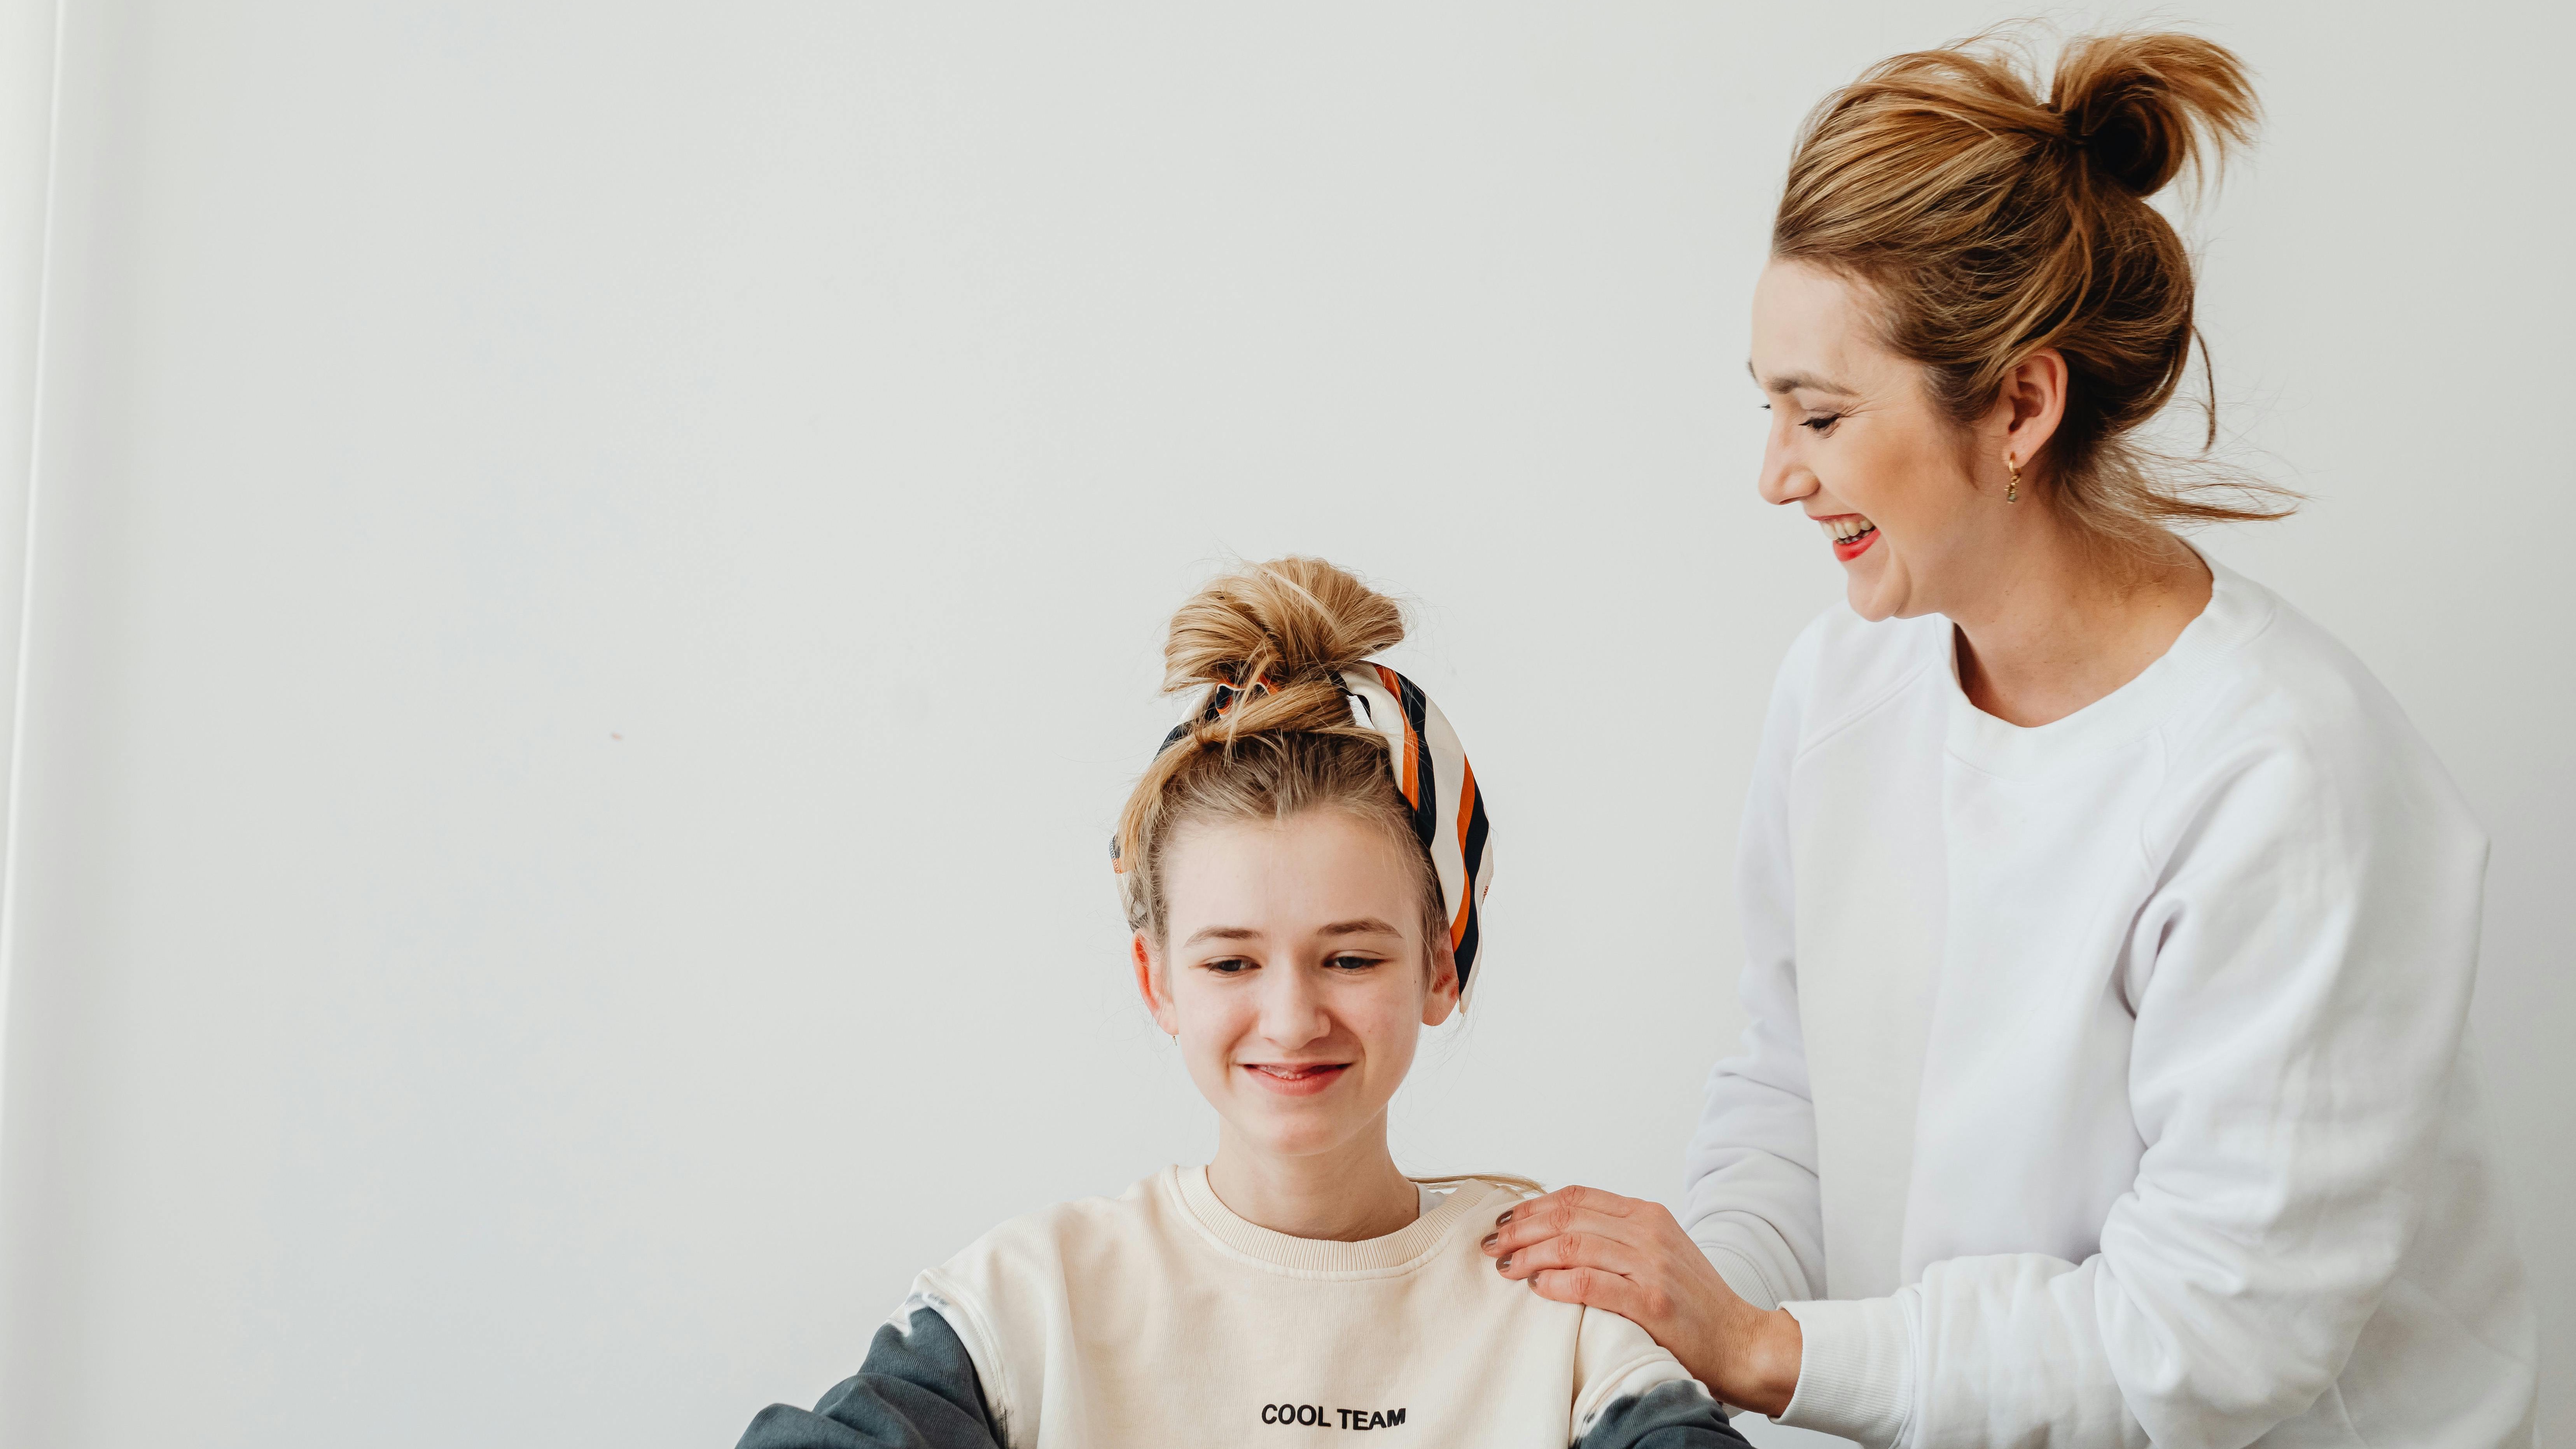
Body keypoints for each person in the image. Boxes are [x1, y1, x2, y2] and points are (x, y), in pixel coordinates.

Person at [1478, 29, 2538, 1448]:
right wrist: (1664, 1333)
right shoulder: (1844, 681)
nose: (1776, 474)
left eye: (1823, 415)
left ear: (2021, 406)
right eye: (1769, 405)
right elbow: (1788, 1089)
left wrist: (1769, 1351)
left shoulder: (2281, 779)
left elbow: (2207, 1341)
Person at [735, 557, 1749, 1449]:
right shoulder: (1029, 1305)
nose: (1290, 1017)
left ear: (1441, 968)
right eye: (1230, 964)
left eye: (1348, 959)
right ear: (1157, 981)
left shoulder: (1560, 1322)